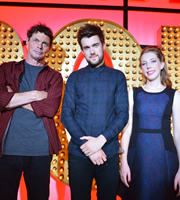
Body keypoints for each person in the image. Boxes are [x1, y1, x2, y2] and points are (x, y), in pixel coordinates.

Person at [61, 23, 128, 200]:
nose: (92, 51)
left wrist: (100, 141)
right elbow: (66, 115)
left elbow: (122, 115)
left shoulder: (117, 77)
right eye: (87, 47)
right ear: (82, 50)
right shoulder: (75, 78)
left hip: (109, 153)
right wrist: (90, 148)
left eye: (95, 45)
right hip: (79, 154)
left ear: (103, 45)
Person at [0, 23, 63, 200]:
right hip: (7, 149)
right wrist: (35, 95)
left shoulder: (54, 77)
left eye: (44, 43)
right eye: (36, 40)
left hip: (40, 151)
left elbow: (50, 109)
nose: (39, 46)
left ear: (49, 48)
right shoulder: (7, 69)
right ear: (27, 42)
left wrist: (13, 98)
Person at [119, 46, 180, 200]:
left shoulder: (174, 96)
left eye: (153, 61)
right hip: (137, 157)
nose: (148, 67)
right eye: (144, 63)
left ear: (162, 64)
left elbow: (178, 135)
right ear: (141, 68)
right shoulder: (133, 94)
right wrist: (124, 162)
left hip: (165, 158)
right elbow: (127, 131)